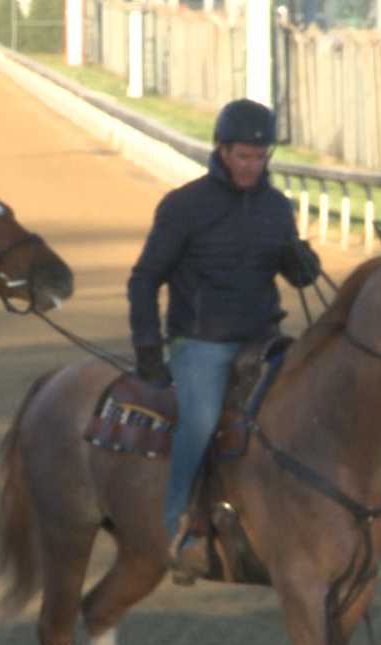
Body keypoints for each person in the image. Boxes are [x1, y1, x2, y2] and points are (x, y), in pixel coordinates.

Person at [126, 98, 320, 575]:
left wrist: (303, 263)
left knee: (309, 409)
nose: (254, 166)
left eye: (261, 157)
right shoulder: (184, 206)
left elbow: (296, 276)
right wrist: (148, 343)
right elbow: (144, 279)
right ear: (221, 149)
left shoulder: (277, 207)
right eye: (244, 156)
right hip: (201, 341)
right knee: (202, 421)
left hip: (264, 338)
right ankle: (179, 528)